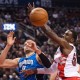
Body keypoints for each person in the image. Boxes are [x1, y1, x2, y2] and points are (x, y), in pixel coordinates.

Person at [20, 3, 80, 80]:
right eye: (64, 33)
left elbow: (49, 32)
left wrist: (38, 17)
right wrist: (33, 71)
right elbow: (51, 70)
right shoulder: (61, 51)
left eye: (67, 35)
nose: (64, 35)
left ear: (72, 40)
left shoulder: (68, 45)